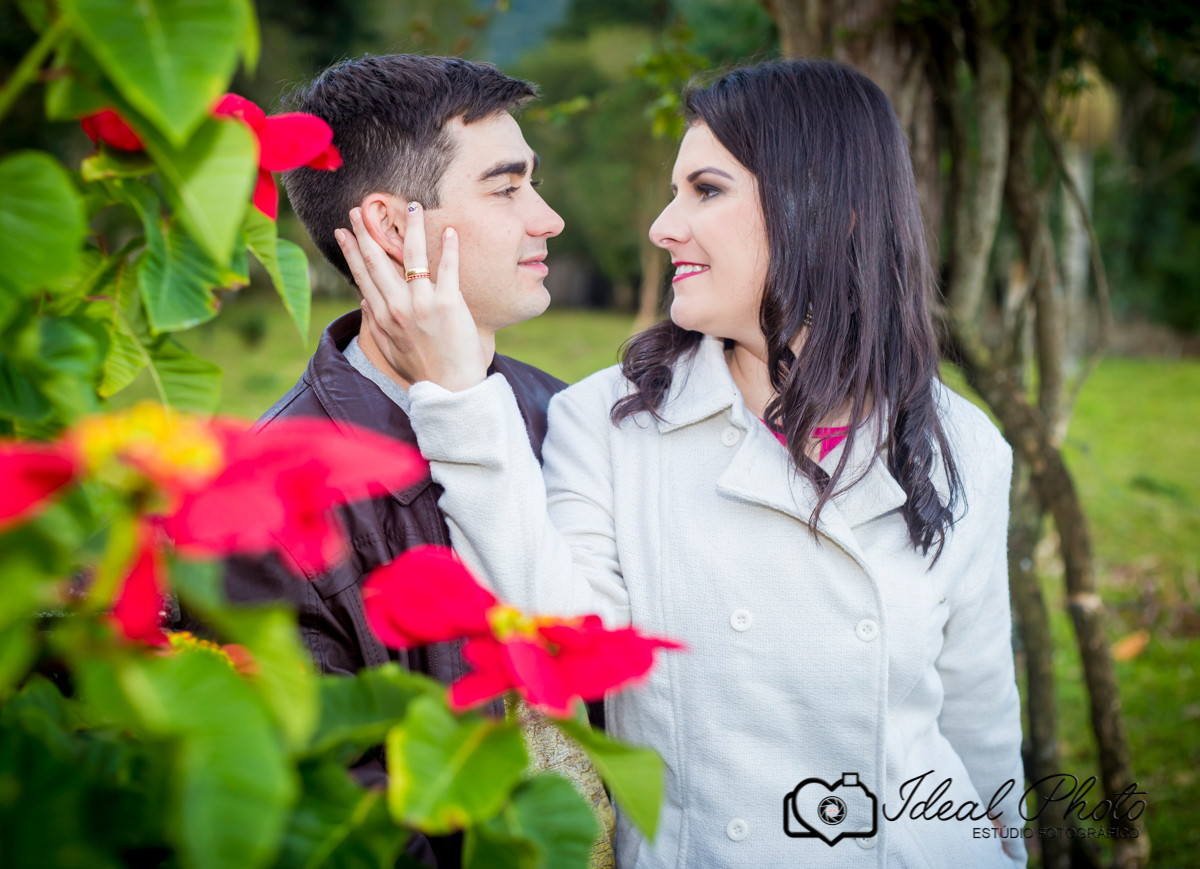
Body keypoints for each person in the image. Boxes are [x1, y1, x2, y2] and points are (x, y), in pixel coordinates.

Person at [337, 58, 1029, 868]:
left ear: (831, 208)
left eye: (705, 190)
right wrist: (456, 395)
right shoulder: (610, 420)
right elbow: (558, 643)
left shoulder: (962, 444)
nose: (665, 226)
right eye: (675, 194)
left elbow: (980, 724)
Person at [215, 54, 613, 869]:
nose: (548, 219)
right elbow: (340, 814)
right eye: (506, 189)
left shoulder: (565, 413)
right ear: (395, 229)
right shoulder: (278, 495)